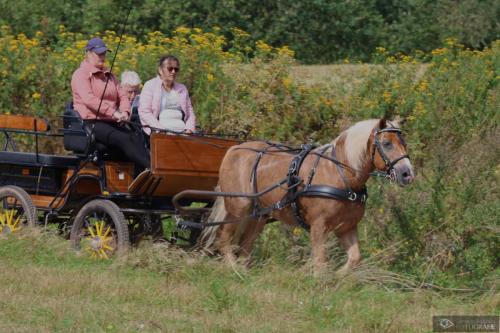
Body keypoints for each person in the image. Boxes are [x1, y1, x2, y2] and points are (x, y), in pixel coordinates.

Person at [71, 37, 150, 170]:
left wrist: (125, 111)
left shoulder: (110, 76)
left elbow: (123, 96)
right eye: (99, 53)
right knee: (124, 139)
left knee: (135, 137)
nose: (103, 56)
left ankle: (142, 177)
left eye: (104, 53)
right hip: (92, 122)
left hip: (111, 121)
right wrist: (113, 113)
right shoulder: (80, 75)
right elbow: (89, 100)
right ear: (88, 53)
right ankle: (151, 169)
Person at [139, 55, 196, 135]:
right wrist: (159, 129)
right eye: (170, 69)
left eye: (176, 69)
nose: (173, 72)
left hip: (183, 132)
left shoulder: (182, 88)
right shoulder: (150, 85)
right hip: (160, 133)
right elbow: (144, 111)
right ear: (160, 70)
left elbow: (190, 113)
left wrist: (189, 129)